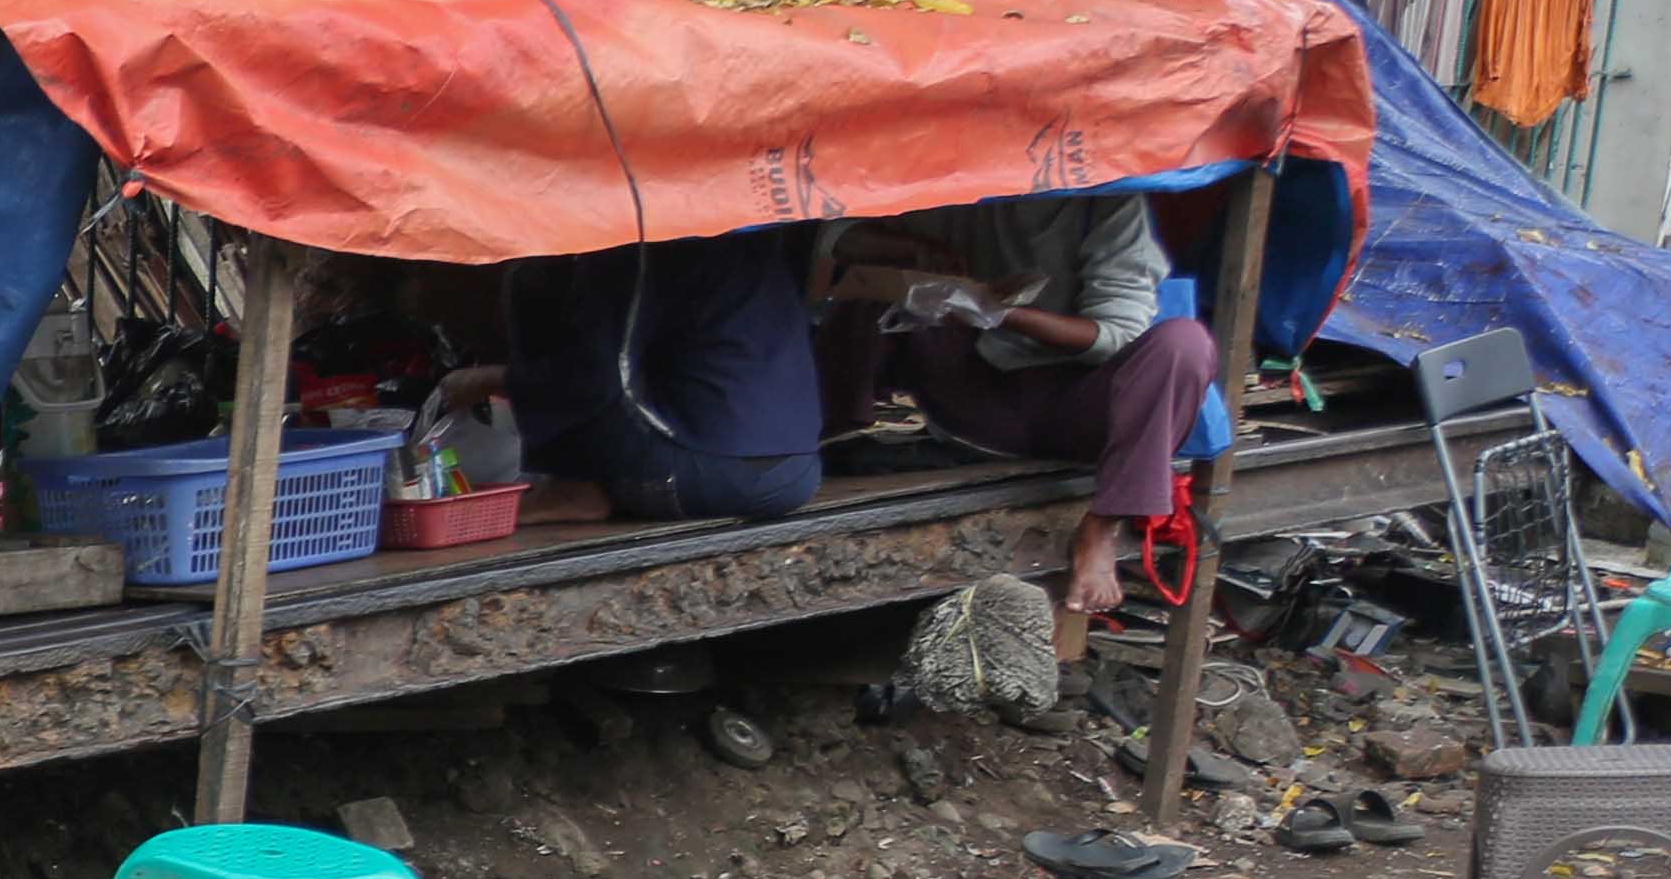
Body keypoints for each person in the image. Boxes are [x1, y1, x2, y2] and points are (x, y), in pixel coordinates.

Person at [811, 191, 1215, 641]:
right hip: (979, 405)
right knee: (871, 284)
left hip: (1080, 412)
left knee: (1185, 343)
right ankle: (834, 437)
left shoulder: (1108, 200)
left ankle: (1104, 523)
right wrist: (914, 252)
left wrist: (1000, 314)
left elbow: (1116, 336)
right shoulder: (958, 176)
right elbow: (833, 236)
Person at [426, 230, 824, 527]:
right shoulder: (746, 232)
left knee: (532, 279)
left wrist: (489, 380)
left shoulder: (633, 243)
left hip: (710, 475)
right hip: (799, 471)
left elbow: (592, 382)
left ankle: (572, 484)